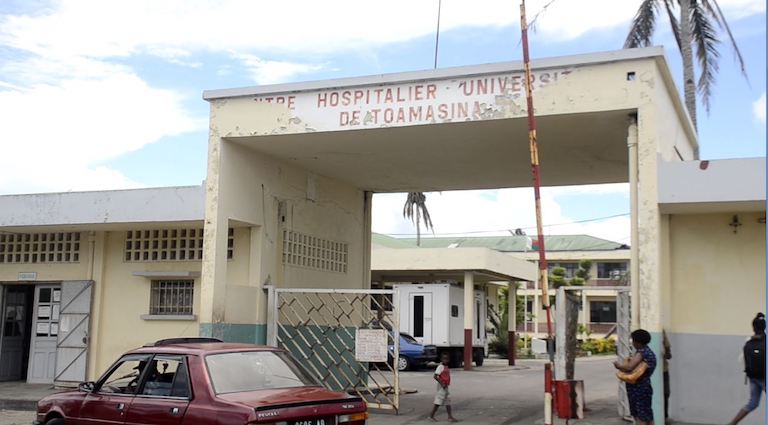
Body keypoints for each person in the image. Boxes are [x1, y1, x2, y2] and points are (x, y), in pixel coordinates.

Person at [727, 312, 766, 425]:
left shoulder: (748, 341)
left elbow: (741, 360)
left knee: (752, 403)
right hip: (764, 377)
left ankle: (732, 423)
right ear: (764, 326)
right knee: (753, 403)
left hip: (752, 377)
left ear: (753, 327)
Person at [614, 329, 657, 425]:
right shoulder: (649, 352)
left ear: (637, 341)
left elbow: (629, 368)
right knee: (647, 415)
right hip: (645, 387)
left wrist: (618, 366)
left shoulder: (641, 353)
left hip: (638, 388)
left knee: (639, 416)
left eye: (633, 340)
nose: (632, 343)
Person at [429, 353, 458, 422]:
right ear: (441, 359)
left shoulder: (446, 367)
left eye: (447, 359)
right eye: (444, 359)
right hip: (442, 386)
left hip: (446, 386)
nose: (446, 360)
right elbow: (435, 376)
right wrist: (442, 383)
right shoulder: (440, 367)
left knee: (447, 401)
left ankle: (450, 417)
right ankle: (431, 416)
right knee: (438, 402)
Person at [662, 329, 671, 423]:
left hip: (663, 370)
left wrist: (667, 353)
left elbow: (668, 351)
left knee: (665, 393)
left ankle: (664, 417)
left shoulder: (661, 330)